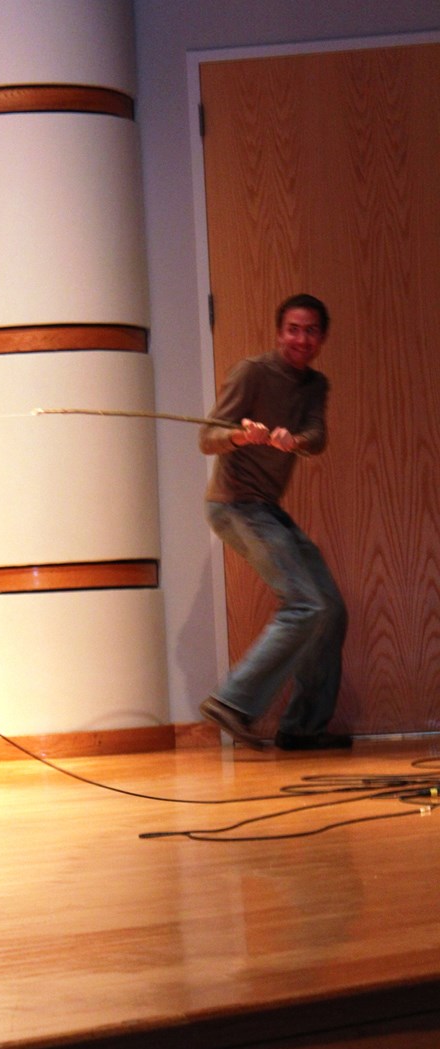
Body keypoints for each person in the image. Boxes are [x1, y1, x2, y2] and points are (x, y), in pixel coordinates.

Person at [198, 293, 349, 752]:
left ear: (321, 337)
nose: (301, 339)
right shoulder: (252, 372)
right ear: (279, 332)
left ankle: (303, 727)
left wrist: (293, 440)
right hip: (234, 504)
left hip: (267, 508)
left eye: (310, 331)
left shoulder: (315, 384)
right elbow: (208, 437)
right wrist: (241, 435)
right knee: (305, 604)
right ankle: (232, 702)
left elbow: (316, 438)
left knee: (329, 609)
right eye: (293, 329)